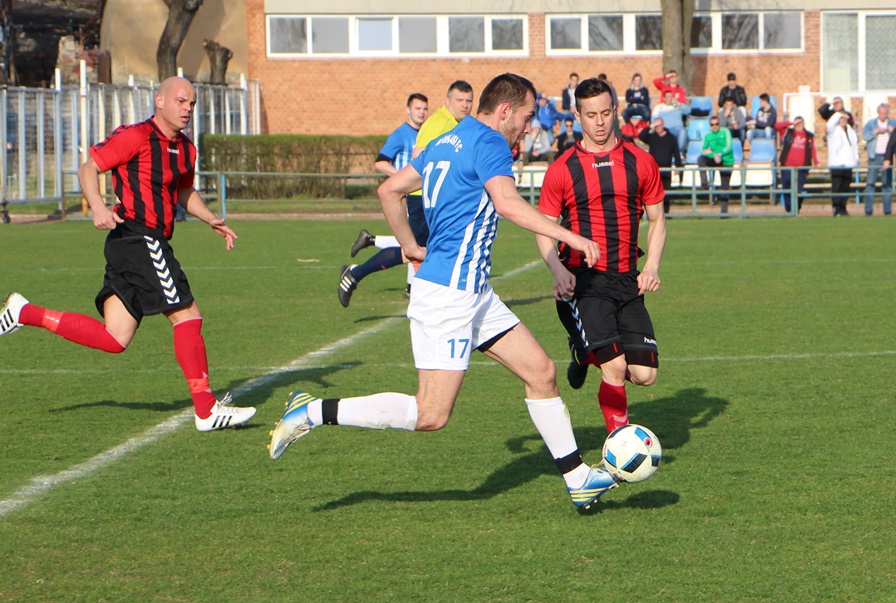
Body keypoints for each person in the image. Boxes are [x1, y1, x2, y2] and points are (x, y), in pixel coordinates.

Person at [269, 73, 620, 509]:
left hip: (473, 291)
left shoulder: (447, 139)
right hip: (450, 295)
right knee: (431, 415)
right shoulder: (490, 143)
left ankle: (578, 478)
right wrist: (571, 237)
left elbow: (389, 189)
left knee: (542, 372)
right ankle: (312, 410)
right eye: (528, 117)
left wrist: (411, 245)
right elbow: (508, 204)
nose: (529, 127)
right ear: (506, 110)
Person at [0, 77, 256, 432]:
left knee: (115, 337)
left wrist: (210, 218)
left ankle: (24, 312)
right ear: (160, 101)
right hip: (138, 237)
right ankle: (206, 410)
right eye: (181, 101)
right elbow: (89, 167)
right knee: (187, 314)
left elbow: (183, 190)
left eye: (192, 104)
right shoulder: (136, 136)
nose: (187, 109)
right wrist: (97, 207)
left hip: (139, 242)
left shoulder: (186, 149)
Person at [535, 76, 667, 437]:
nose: (599, 121)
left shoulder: (640, 161)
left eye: (606, 112)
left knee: (644, 375)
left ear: (615, 111)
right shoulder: (563, 167)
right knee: (615, 368)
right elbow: (543, 227)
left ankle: (582, 352)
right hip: (585, 280)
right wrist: (557, 270)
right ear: (578, 115)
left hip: (628, 279)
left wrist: (651, 266)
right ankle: (620, 444)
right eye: (591, 114)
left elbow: (657, 219)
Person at [339, 93, 430, 307]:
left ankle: (366, 254)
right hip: (407, 197)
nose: (422, 112)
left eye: (425, 108)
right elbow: (380, 163)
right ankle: (358, 271)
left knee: (415, 246)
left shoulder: (427, 131)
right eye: (418, 108)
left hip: (422, 198)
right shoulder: (400, 134)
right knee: (413, 246)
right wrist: (402, 178)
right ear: (408, 110)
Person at [774, 116, 818, 213]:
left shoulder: (809, 136)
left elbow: (813, 149)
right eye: (797, 123)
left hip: (801, 168)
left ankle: (796, 208)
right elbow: (777, 126)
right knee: (787, 188)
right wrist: (790, 122)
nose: (799, 125)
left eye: (800, 123)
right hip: (787, 167)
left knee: (799, 190)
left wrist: (816, 162)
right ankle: (789, 210)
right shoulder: (787, 133)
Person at [639, 117, 683, 213]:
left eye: (659, 125)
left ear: (663, 125)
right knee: (653, 192)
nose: (657, 127)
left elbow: (676, 153)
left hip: (666, 170)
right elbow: (641, 136)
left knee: (666, 192)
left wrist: (678, 167)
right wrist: (650, 126)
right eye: (656, 126)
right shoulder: (652, 137)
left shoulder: (671, 138)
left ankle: (666, 212)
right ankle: (654, 212)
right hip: (654, 170)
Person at [861, 103, 896, 216]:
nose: (883, 115)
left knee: (887, 185)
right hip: (874, 156)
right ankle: (868, 210)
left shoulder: (893, 123)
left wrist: (892, 131)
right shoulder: (871, 124)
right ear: (878, 113)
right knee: (870, 184)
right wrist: (874, 132)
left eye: (885, 113)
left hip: (887, 157)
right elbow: (864, 136)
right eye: (881, 113)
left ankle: (887, 211)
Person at [698, 117, 735, 214]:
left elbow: (729, 147)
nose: (714, 126)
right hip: (715, 158)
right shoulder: (708, 135)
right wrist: (713, 155)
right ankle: (704, 183)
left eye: (716, 124)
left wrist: (718, 153)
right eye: (712, 124)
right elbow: (702, 149)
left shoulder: (725, 131)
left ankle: (724, 212)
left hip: (726, 161)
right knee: (701, 159)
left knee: (725, 186)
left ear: (719, 124)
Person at [826, 111, 859, 217]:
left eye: (845, 118)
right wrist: (838, 114)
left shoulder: (850, 131)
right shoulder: (833, 131)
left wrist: (856, 159)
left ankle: (843, 208)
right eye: (841, 118)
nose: (843, 120)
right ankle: (836, 208)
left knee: (845, 187)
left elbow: (854, 146)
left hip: (848, 163)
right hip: (837, 164)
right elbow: (829, 124)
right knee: (837, 187)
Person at [651, 90, 689, 154]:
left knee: (683, 131)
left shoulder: (678, 106)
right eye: (668, 96)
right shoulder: (659, 107)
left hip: (677, 129)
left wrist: (679, 104)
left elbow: (688, 111)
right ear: (664, 98)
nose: (670, 98)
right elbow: (653, 120)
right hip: (664, 129)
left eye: (671, 96)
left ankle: (678, 152)